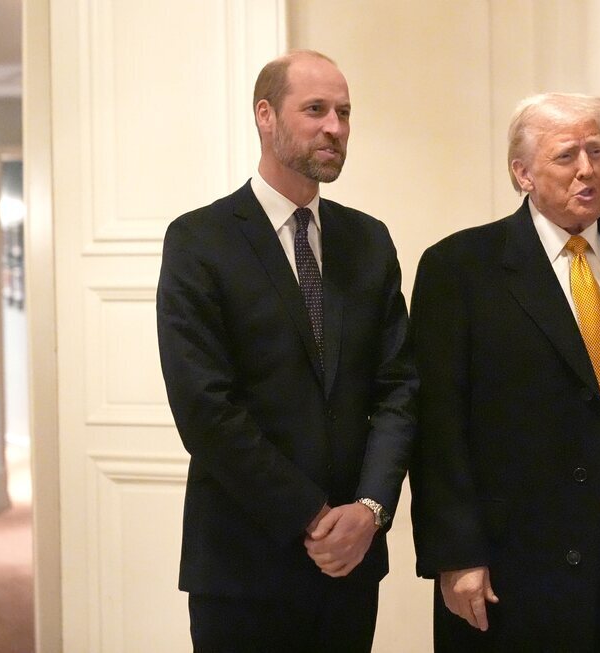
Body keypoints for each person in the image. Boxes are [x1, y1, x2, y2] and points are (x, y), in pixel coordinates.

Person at [409, 93, 600, 652]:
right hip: (514, 561)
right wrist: (456, 555)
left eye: (596, 152)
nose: (587, 169)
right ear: (522, 173)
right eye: (566, 156)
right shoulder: (460, 268)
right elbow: (437, 429)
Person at [156, 50, 416, 652]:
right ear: (265, 116)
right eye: (316, 109)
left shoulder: (369, 241)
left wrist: (370, 511)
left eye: (345, 113)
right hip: (243, 563)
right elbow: (205, 408)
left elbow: (399, 388)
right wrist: (313, 515)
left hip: (351, 565)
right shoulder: (199, 241)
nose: (335, 127)